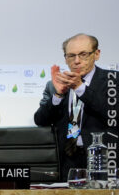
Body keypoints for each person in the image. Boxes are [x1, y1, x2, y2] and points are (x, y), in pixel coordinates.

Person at [34, 33, 115, 180]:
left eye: (83, 54)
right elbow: (40, 120)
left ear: (96, 54)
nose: (77, 61)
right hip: (68, 159)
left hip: (104, 159)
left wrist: (80, 88)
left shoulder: (113, 80)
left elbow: (112, 113)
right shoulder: (55, 85)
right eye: (71, 56)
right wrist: (58, 95)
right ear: (65, 58)